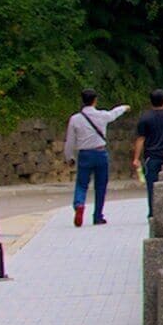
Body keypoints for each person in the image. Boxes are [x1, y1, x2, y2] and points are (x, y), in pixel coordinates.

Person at [63, 91, 119, 227]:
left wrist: (69, 157)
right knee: (101, 186)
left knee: (81, 184)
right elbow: (113, 114)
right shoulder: (102, 115)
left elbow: (70, 141)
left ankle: (79, 204)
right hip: (100, 153)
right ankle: (98, 216)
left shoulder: (75, 119)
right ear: (95, 100)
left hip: (85, 154)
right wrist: (124, 107)